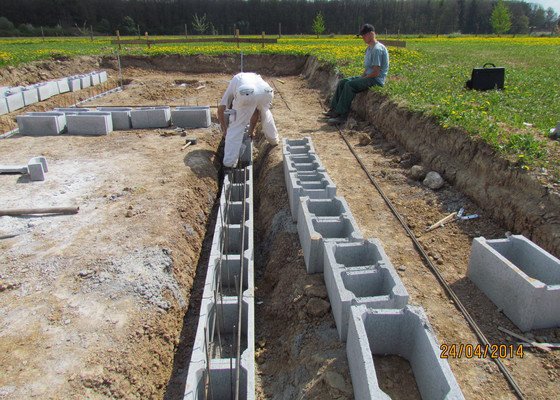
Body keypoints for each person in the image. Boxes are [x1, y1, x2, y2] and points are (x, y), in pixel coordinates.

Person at [325, 24, 389, 125]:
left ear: (372, 34)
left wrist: (363, 79)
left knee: (349, 85)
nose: (363, 37)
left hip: (376, 79)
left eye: (364, 35)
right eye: (362, 35)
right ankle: (334, 110)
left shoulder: (377, 49)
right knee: (343, 82)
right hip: (369, 77)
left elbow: (376, 72)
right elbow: (367, 68)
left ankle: (342, 116)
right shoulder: (369, 49)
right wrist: (361, 77)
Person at [217, 72, 279, 169]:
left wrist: (225, 130)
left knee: (236, 127)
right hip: (267, 91)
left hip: (246, 92)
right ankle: (274, 139)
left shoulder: (234, 82)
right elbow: (255, 112)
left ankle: (229, 163)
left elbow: (221, 109)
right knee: (266, 114)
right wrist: (250, 131)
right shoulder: (254, 77)